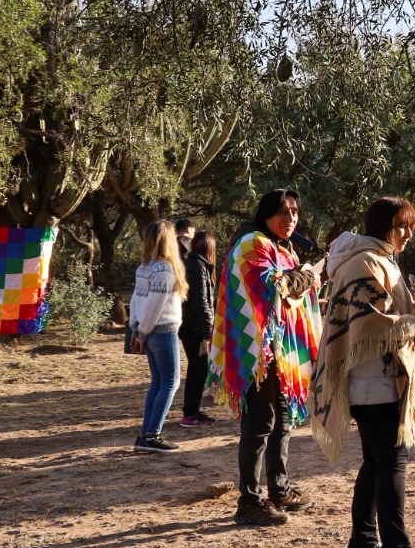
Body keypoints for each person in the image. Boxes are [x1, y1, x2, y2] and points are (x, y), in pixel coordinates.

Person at [313, 196, 415, 548]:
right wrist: (412, 324)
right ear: (380, 224)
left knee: (376, 462)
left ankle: (363, 544)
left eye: (411, 227)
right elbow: (368, 323)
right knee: (391, 463)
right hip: (374, 381)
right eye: (400, 225)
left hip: (376, 379)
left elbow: (387, 314)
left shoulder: (375, 257)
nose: (407, 235)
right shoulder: (365, 261)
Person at [211, 188, 323, 526]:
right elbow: (276, 286)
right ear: (265, 213)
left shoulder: (282, 249)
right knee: (259, 425)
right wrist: (310, 274)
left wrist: (306, 275)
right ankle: (248, 501)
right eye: (282, 211)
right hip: (257, 353)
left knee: (283, 423)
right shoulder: (251, 244)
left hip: (282, 354)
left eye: (294, 212)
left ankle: (279, 488)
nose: (289, 218)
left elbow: (295, 290)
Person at [130, 219, 188, 453]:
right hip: (162, 332)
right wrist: (141, 332)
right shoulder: (164, 269)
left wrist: (137, 328)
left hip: (149, 332)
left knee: (159, 382)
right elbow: (154, 305)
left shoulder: (145, 267)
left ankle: (147, 433)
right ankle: (152, 436)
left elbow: (135, 302)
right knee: (170, 383)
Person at [178, 230, 218, 426]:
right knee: (198, 368)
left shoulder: (196, 264)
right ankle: (190, 413)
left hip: (192, 325)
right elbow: (201, 300)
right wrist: (207, 327)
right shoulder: (196, 266)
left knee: (199, 367)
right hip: (194, 326)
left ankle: (192, 411)